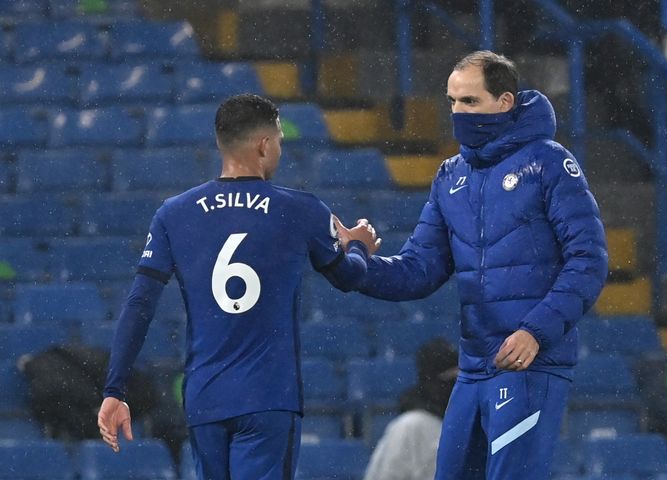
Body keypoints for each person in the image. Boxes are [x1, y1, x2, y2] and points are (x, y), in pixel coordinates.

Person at [336, 51, 608, 479]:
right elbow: (419, 268)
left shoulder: (549, 163)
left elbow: (589, 259)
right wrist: (355, 261)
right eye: (452, 102)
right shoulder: (450, 176)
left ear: (504, 102)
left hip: (529, 364)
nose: (457, 113)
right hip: (475, 364)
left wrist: (535, 331)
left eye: (469, 101)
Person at [97, 94, 380, 480]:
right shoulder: (301, 209)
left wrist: (115, 389)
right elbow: (350, 278)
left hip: (206, 398)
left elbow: (140, 303)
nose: (279, 149)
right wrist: (360, 246)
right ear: (264, 144)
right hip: (268, 397)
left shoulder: (174, 213)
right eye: (278, 140)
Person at [364, 338, 458, 480]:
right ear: (429, 382)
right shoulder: (410, 426)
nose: (455, 387)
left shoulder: (460, 423)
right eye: (449, 381)